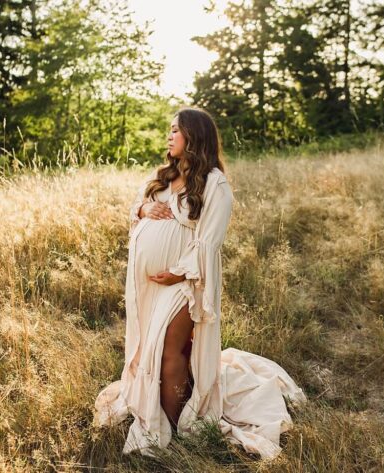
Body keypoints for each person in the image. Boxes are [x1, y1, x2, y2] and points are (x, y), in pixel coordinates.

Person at [94, 107, 306, 459]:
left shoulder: (214, 183)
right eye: (170, 130)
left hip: (187, 282)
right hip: (149, 287)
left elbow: (210, 241)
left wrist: (178, 272)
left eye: (176, 130)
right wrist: (144, 211)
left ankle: (180, 433)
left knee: (169, 350)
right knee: (155, 349)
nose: (169, 135)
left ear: (194, 135)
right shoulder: (163, 175)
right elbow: (137, 207)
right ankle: (171, 412)